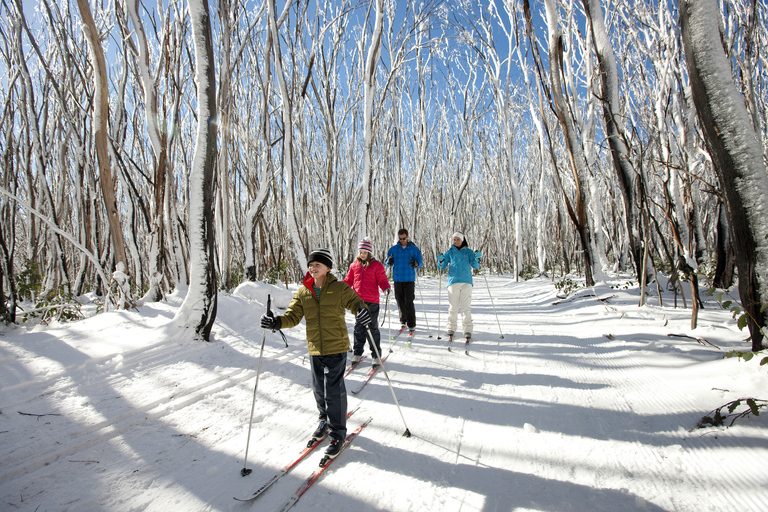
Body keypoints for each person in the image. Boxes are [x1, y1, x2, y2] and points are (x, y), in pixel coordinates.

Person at [260, 248, 370, 461]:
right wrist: (275, 322)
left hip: (336, 347)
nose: (312, 267)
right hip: (315, 348)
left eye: (317, 264)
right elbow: (292, 317)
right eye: (310, 264)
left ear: (328, 268)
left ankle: (338, 433)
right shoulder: (303, 292)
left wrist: (362, 311)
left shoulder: (339, 288)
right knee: (318, 389)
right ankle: (324, 420)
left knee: (334, 390)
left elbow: (356, 303)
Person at [343, 237, 391, 367]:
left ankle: (376, 355)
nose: (362, 255)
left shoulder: (377, 265)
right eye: (361, 252)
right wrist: (338, 286)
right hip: (358, 302)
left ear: (369, 253)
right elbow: (348, 281)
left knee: (372, 328)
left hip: (372, 301)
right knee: (359, 328)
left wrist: (386, 288)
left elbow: (382, 280)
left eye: (365, 252)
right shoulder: (354, 265)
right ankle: (357, 353)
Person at [437, 232, 481, 340]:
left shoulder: (469, 252)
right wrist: (441, 260)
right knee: (453, 307)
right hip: (453, 282)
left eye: (458, 239)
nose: (456, 242)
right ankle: (451, 328)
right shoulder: (449, 252)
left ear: (462, 240)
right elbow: (441, 267)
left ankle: (467, 330)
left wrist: (477, 258)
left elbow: (475, 266)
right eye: (454, 240)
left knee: (466, 307)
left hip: (466, 282)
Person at [385, 228, 422, 334]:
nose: (402, 240)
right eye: (400, 238)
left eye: (404, 238)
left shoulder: (414, 249)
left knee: (409, 301)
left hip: (409, 279)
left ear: (407, 237)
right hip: (397, 279)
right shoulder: (393, 249)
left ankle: (411, 324)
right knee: (399, 300)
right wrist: (389, 261)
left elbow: (420, 262)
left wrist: (416, 264)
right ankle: (403, 321)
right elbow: (387, 262)